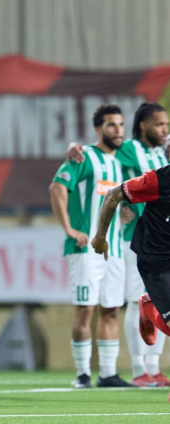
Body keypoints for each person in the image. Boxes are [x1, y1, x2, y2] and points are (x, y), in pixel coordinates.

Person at [65, 102, 170, 387]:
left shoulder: (162, 152)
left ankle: (154, 367)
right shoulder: (129, 149)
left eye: (167, 125)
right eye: (159, 124)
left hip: (164, 237)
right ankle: (139, 369)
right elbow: (101, 149)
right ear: (143, 126)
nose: (164, 130)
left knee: (160, 304)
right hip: (137, 239)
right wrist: (76, 146)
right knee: (139, 301)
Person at [51, 104, 132, 389]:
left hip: (116, 250)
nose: (118, 130)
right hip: (85, 248)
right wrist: (70, 229)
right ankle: (83, 374)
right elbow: (57, 188)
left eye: (121, 124)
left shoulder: (122, 161)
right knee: (85, 309)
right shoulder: (83, 156)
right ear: (98, 129)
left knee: (111, 309)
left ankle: (108, 373)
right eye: (111, 125)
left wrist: (127, 213)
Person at [91, 155, 170, 401]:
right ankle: (150, 307)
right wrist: (100, 237)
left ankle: (150, 307)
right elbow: (113, 194)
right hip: (155, 258)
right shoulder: (158, 180)